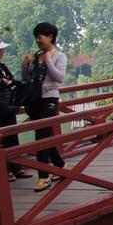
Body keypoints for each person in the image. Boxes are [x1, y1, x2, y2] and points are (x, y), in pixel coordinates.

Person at [22, 22, 67, 191]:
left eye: (40, 36)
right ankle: (59, 165)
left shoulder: (59, 56)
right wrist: (25, 66)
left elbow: (59, 78)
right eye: (36, 36)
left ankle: (44, 175)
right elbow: (27, 79)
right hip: (34, 101)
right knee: (44, 135)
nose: (37, 39)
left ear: (50, 36)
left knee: (41, 137)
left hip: (49, 99)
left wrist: (48, 62)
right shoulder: (35, 56)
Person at [0, 35, 29, 182]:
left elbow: (10, 82)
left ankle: (17, 166)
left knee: (12, 136)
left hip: (7, 106)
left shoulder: (1, 67)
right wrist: (1, 83)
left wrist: (1, 84)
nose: (2, 50)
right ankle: (4, 170)